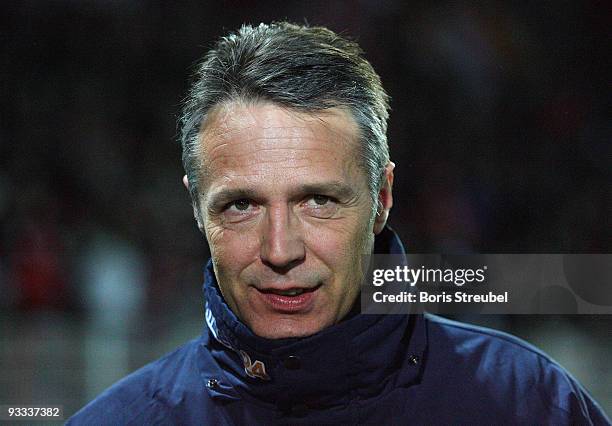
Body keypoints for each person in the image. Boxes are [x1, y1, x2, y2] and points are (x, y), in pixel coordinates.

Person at [68, 22, 610, 425]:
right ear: (195, 209)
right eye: (241, 206)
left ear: (382, 199)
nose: (280, 249)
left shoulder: (529, 403)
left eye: (318, 201)